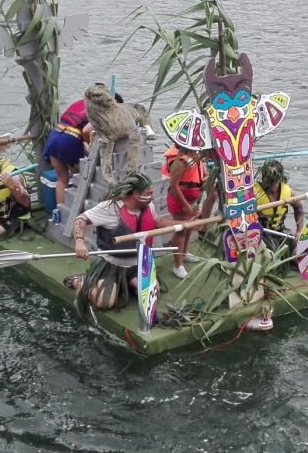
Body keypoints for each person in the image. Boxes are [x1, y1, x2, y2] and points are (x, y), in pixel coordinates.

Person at [64, 173, 174, 315]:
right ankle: (81, 282)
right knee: (104, 303)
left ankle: (127, 281)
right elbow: (80, 219)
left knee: (152, 295)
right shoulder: (109, 209)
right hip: (112, 264)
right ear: (135, 194)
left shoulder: (148, 206)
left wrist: (187, 224)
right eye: (149, 193)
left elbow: (158, 222)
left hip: (137, 262)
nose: (152, 197)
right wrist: (79, 241)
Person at [162, 144, 210, 279]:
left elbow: (205, 174)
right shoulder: (179, 161)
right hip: (180, 201)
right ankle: (177, 265)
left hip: (193, 200)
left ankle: (184, 253)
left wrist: (207, 180)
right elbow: (173, 186)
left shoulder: (196, 156)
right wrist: (185, 205)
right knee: (181, 230)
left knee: (189, 228)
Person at [42, 97, 92, 206]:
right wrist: (90, 146)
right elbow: (86, 130)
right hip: (70, 140)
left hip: (55, 135)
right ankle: (79, 211)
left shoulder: (80, 102)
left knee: (62, 179)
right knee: (79, 178)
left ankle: (60, 213)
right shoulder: (100, 108)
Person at [252, 160, 304, 255]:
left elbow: (299, 209)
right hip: (261, 235)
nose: (267, 183)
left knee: (298, 255)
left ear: (279, 179)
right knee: (267, 256)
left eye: (271, 180)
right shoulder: (254, 193)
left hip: (280, 232)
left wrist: (299, 231)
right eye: (265, 178)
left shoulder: (288, 192)